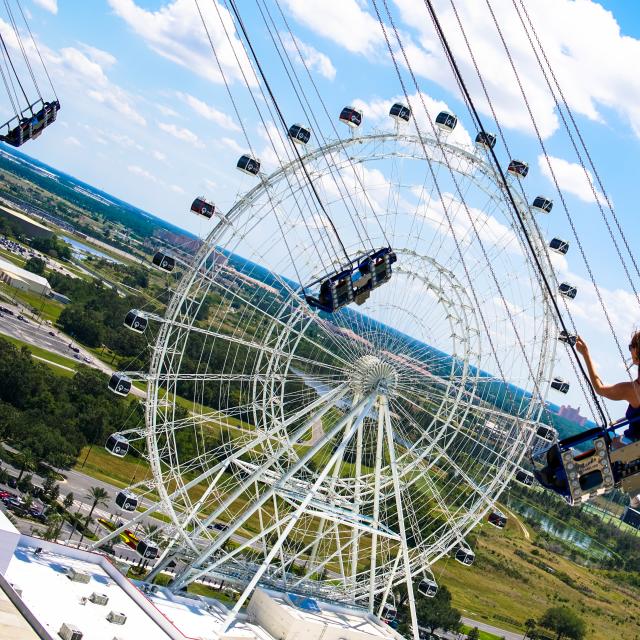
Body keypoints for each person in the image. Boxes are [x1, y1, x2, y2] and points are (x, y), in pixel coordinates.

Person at [576, 331, 640, 506]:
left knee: (608, 444)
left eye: (631, 347)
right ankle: (634, 491)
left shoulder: (632, 389)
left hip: (633, 449)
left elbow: (600, 388)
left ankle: (633, 489)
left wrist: (586, 354)